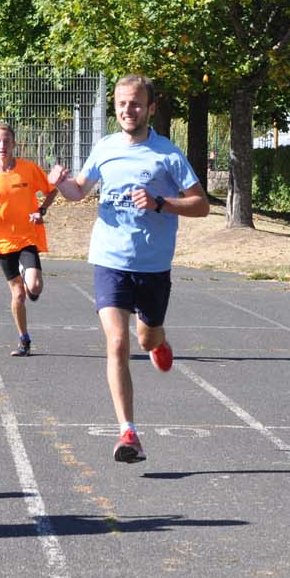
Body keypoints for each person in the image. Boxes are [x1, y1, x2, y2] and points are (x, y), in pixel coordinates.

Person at [51, 74, 208, 463]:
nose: (127, 110)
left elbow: (201, 205)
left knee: (146, 339)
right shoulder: (104, 148)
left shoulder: (167, 154)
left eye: (135, 103)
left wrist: (161, 204)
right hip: (110, 260)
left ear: (150, 108)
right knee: (117, 342)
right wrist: (60, 184)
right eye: (121, 103)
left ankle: (160, 341)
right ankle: (128, 433)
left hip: (153, 266)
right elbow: (79, 192)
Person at [0, 123, 66, 356]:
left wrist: (41, 210)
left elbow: (52, 189)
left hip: (27, 236)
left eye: (7, 141)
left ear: (14, 144)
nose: (3, 145)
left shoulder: (28, 169)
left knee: (35, 286)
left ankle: (32, 286)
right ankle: (24, 340)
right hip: (1, 241)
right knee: (17, 293)